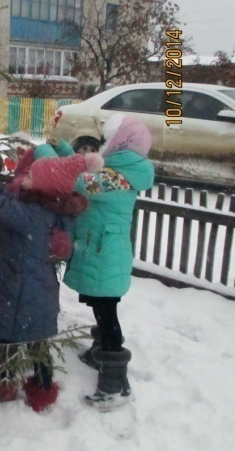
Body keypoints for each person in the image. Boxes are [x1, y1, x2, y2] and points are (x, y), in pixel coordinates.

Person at [0, 146, 102, 412]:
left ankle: (2, 386)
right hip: (39, 289)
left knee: (10, 339)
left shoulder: (31, 216)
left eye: (30, 177)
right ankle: (42, 388)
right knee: (38, 340)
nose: (23, 178)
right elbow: (9, 201)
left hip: (20, 290)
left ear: (42, 188)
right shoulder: (50, 209)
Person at [60, 113, 154, 411]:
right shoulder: (118, 170)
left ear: (120, 143)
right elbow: (86, 172)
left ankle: (115, 383)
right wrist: (63, 150)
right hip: (102, 252)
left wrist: (52, 155)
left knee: (107, 313)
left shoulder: (118, 178)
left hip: (105, 255)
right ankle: (100, 351)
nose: (101, 144)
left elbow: (82, 182)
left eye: (106, 140)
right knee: (102, 308)